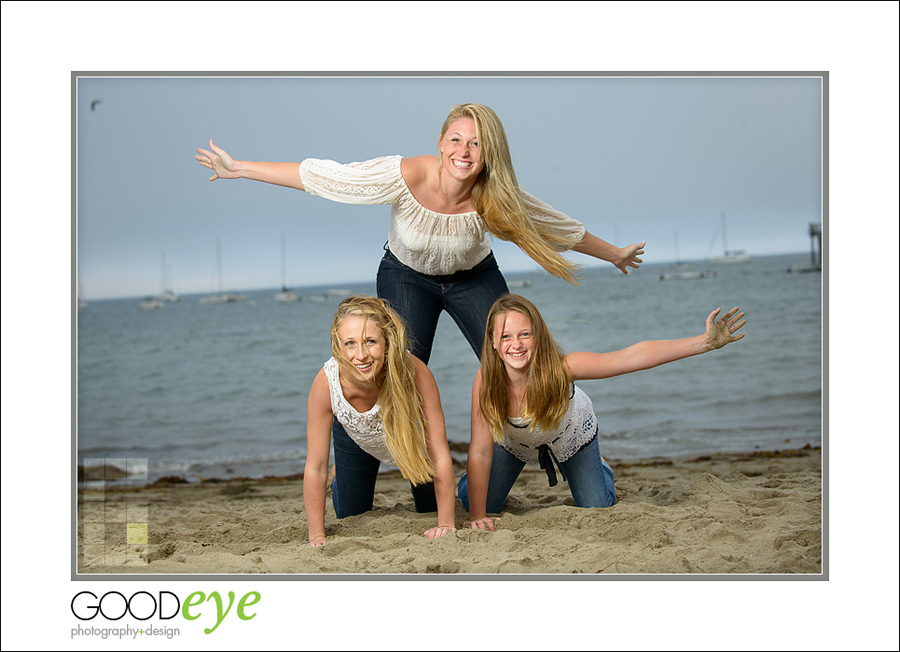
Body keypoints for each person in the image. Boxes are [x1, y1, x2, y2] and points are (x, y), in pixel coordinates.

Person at [195, 102, 645, 363]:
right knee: (406, 374)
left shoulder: (497, 193)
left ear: (489, 154)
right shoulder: (403, 175)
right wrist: (240, 169)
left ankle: (547, 445)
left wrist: (614, 254)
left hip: (474, 278)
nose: (464, 151)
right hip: (406, 276)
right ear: (440, 143)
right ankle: (426, 491)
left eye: (476, 143)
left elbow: (556, 227)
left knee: (516, 361)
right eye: (456, 139)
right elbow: (323, 177)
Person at [458, 294, 747, 531]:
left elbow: (632, 357)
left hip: (569, 439)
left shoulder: (561, 368)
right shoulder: (486, 381)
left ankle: (601, 466)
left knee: (598, 507)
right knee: (473, 502)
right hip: (516, 444)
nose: (516, 344)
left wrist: (704, 342)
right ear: (493, 342)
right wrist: (476, 519)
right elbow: (481, 451)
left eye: (524, 334)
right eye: (506, 336)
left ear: (538, 337)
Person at [303, 296, 456, 547]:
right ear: (338, 346)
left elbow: (439, 454)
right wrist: (317, 536)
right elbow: (315, 466)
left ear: (386, 342)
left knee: (432, 510)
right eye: (350, 344)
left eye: (370, 341)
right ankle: (341, 477)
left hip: (408, 439)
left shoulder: (414, 371)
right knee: (351, 516)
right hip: (355, 436)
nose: (361, 355)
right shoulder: (326, 383)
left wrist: (446, 524)